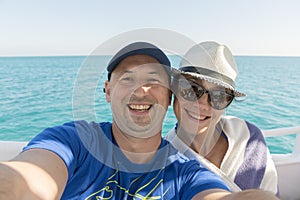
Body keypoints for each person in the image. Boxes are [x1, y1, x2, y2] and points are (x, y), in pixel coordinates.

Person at [0, 41, 279, 200]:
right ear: (108, 91)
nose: (140, 90)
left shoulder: (185, 172)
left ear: (168, 96)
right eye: (128, 78)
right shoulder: (73, 142)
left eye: (153, 80)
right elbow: (29, 179)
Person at [166, 41, 279, 195]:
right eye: (192, 89)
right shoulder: (164, 160)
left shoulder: (250, 138)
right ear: (174, 88)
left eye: (218, 96)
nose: (202, 105)